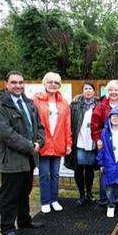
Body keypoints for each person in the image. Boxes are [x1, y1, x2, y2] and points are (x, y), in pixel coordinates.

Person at [0, 71, 45, 235]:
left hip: (28, 158)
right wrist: (31, 147)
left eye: (21, 82)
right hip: (11, 160)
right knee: (9, 195)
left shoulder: (29, 104)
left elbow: (40, 127)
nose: (18, 85)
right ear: (6, 85)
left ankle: (24, 220)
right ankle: (7, 228)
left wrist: (39, 142)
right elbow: (8, 135)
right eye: (14, 82)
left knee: (24, 191)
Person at [33, 72, 72, 214]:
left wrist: (68, 143)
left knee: (55, 174)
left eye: (56, 82)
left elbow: (67, 124)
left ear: (59, 85)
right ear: (44, 83)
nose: (53, 84)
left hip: (59, 143)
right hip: (43, 143)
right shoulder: (36, 101)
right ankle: (45, 201)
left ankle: (54, 200)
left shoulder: (64, 103)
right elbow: (33, 123)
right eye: (50, 82)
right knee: (44, 174)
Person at [65, 81, 98, 205]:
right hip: (78, 141)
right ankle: (81, 194)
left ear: (94, 92)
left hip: (92, 142)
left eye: (90, 88)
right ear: (82, 91)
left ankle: (89, 193)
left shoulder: (98, 105)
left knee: (89, 169)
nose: (88, 91)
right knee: (78, 168)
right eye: (86, 88)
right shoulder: (74, 105)